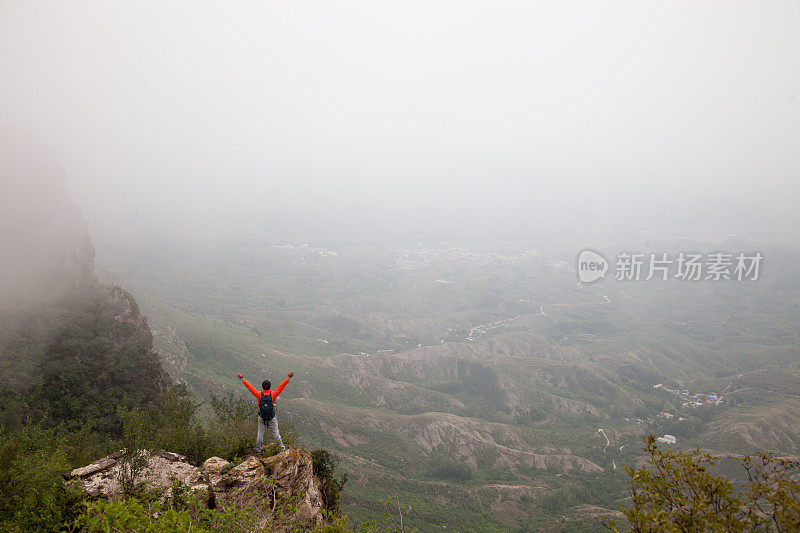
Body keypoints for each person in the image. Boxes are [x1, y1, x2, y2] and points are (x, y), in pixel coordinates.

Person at [236, 370, 294, 453]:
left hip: (261, 417)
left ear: (262, 387)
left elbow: (250, 387)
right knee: (276, 434)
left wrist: (242, 379)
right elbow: (281, 386)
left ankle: (257, 449)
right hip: (272, 417)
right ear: (270, 387)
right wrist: (289, 377)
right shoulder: (273, 394)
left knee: (260, 434)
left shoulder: (258, 394)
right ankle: (282, 448)